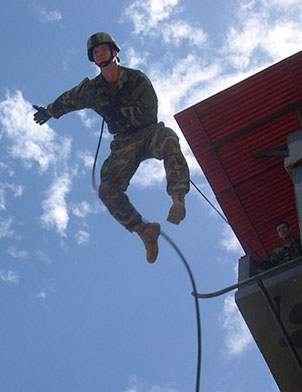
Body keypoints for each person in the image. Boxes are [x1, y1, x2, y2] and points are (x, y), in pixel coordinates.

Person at [33, 32, 190, 264]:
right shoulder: (92, 90)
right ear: (93, 60)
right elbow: (69, 100)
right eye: (95, 53)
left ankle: (178, 199)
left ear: (114, 52)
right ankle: (145, 231)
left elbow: (148, 112)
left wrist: (118, 113)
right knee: (107, 190)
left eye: (103, 50)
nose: (100, 54)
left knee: (168, 139)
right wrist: (49, 111)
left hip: (147, 131)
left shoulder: (137, 79)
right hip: (125, 141)